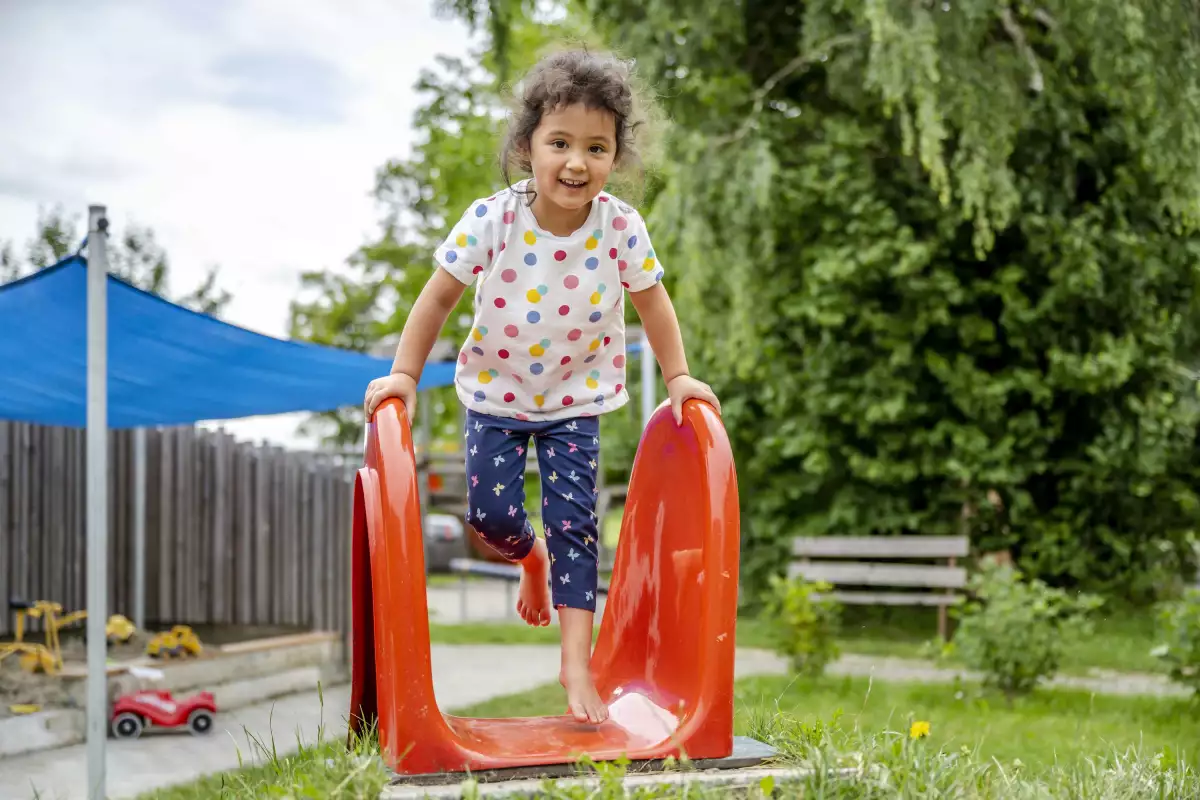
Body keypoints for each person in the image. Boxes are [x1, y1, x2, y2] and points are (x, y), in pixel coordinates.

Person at [363, 49, 720, 725]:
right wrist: (406, 376)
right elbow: (436, 298)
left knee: (577, 527)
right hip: (495, 394)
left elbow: (654, 305)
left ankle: (575, 664)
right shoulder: (493, 218)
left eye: (596, 146)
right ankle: (529, 560)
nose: (577, 162)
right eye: (560, 143)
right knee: (492, 521)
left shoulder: (620, 227)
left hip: (575, 401)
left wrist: (678, 377)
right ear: (527, 148)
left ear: (616, 156)